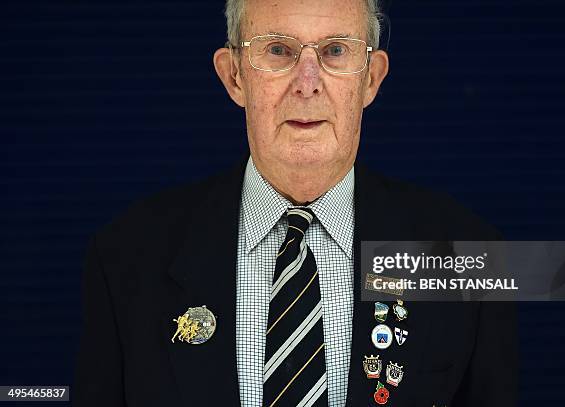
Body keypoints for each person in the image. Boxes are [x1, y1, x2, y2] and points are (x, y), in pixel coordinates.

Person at [73, 0, 518, 406]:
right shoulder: (125, 258)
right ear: (234, 76)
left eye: (336, 51)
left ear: (372, 79)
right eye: (279, 51)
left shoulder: (468, 256)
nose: (307, 84)